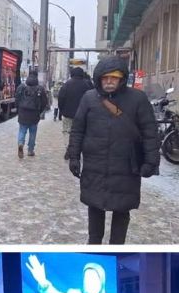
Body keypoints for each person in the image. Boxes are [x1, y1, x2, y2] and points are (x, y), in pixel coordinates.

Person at [66, 56, 160, 244]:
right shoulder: (89, 98)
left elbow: (150, 132)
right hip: (95, 165)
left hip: (126, 166)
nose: (109, 82)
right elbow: (78, 129)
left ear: (122, 78)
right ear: (99, 79)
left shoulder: (137, 99)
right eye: (105, 78)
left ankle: (117, 245)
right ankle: (94, 242)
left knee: (122, 209)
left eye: (114, 78)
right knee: (95, 206)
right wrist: (74, 156)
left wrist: (151, 161)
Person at [14, 71, 49, 158]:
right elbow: (45, 102)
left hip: (23, 112)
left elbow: (16, 99)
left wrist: (19, 109)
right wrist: (39, 111)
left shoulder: (22, 87)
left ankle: (21, 144)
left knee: (22, 130)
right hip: (34, 114)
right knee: (33, 132)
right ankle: (30, 150)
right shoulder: (40, 88)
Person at [58, 67, 94, 140]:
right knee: (81, 132)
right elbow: (92, 99)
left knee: (67, 132)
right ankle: (79, 147)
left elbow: (61, 98)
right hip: (83, 115)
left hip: (68, 114)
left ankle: (68, 147)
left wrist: (61, 110)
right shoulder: (87, 85)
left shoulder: (66, 85)